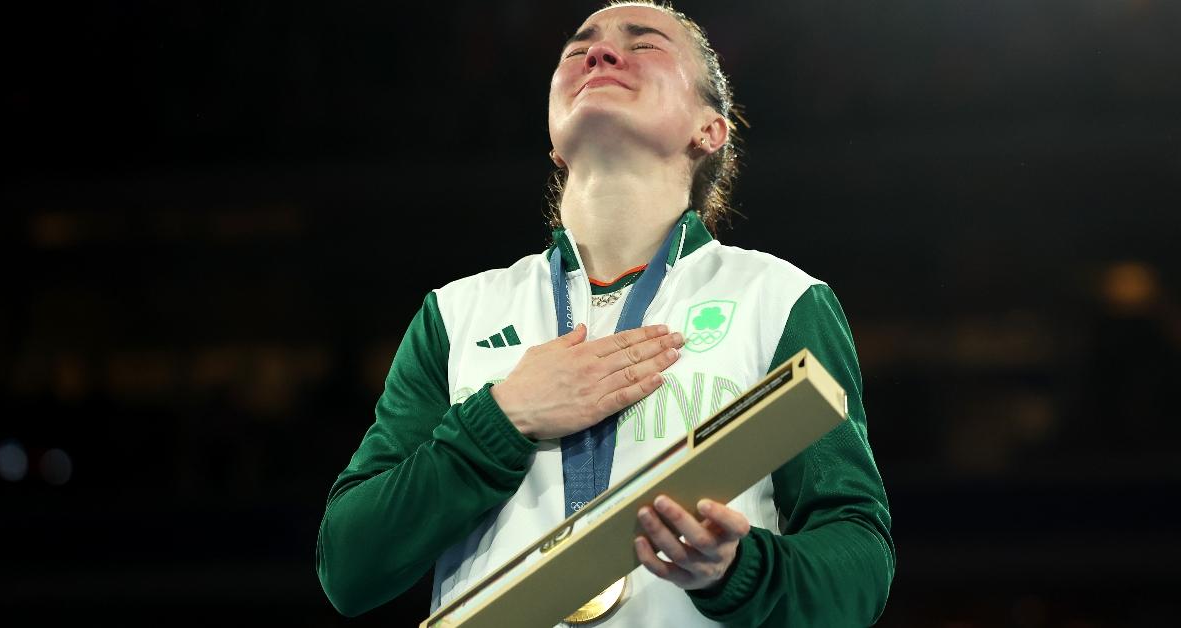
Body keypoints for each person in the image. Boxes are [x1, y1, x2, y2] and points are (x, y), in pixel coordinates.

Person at [316, 1, 895, 626]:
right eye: (577, 49)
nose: (600, 53)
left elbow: (859, 568)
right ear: (554, 140)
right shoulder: (457, 314)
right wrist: (503, 418)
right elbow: (349, 567)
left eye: (643, 44)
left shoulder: (778, 298)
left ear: (709, 129)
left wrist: (742, 569)